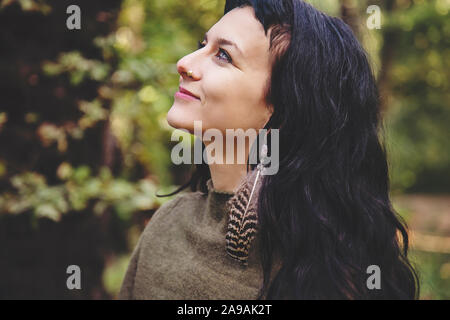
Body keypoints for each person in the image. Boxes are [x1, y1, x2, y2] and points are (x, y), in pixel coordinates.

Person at [119, 0, 419, 299]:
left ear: (286, 107)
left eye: (223, 55)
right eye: (203, 45)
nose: (184, 62)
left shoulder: (336, 274)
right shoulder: (167, 225)